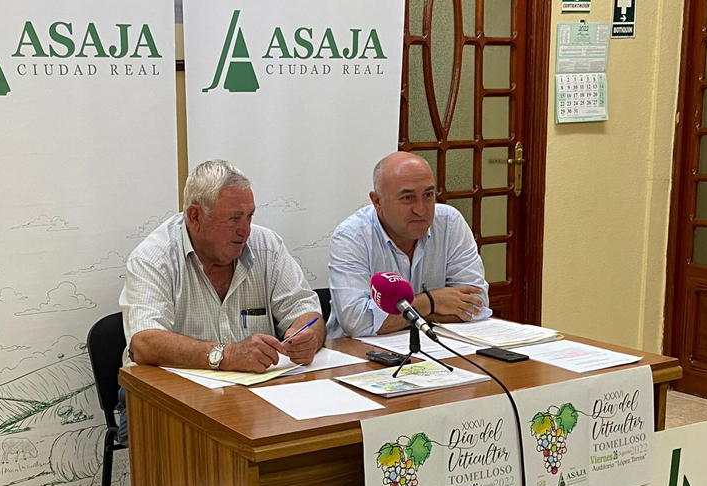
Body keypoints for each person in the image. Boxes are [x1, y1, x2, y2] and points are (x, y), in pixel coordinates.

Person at [116, 160, 325, 445]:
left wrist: (307, 336)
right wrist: (227, 355)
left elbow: (306, 311)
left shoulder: (267, 247)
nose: (245, 230)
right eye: (234, 219)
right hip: (168, 400)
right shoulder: (153, 258)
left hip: (251, 394)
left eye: (249, 216)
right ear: (195, 216)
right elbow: (144, 343)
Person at [327, 151, 491, 338]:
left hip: (437, 344)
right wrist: (430, 302)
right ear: (377, 202)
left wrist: (400, 319)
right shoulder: (351, 236)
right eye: (408, 198)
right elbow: (357, 322)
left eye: (428, 195)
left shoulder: (449, 223)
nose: (421, 209)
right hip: (356, 351)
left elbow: (476, 304)